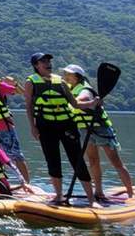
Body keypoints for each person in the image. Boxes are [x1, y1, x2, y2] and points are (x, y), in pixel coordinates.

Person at [23, 52, 90, 204]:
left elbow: (75, 104)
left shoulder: (60, 81)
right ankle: (59, 196)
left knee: (77, 160)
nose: (48, 63)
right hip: (45, 126)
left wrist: (93, 103)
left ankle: (92, 199)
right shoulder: (30, 82)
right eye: (43, 61)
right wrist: (33, 127)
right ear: (36, 66)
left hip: (67, 125)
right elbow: (28, 106)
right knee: (53, 160)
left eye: (48, 61)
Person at [61, 64, 134, 202]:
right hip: (84, 129)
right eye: (65, 73)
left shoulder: (85, 89)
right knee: (93, 161)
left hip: (100, 129)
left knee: (116, 162)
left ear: (77, 76)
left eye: (68, 74)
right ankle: (99, 192)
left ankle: (131, 193)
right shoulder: (71, 88)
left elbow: (81, 100)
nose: (65, 76)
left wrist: (69, 102)